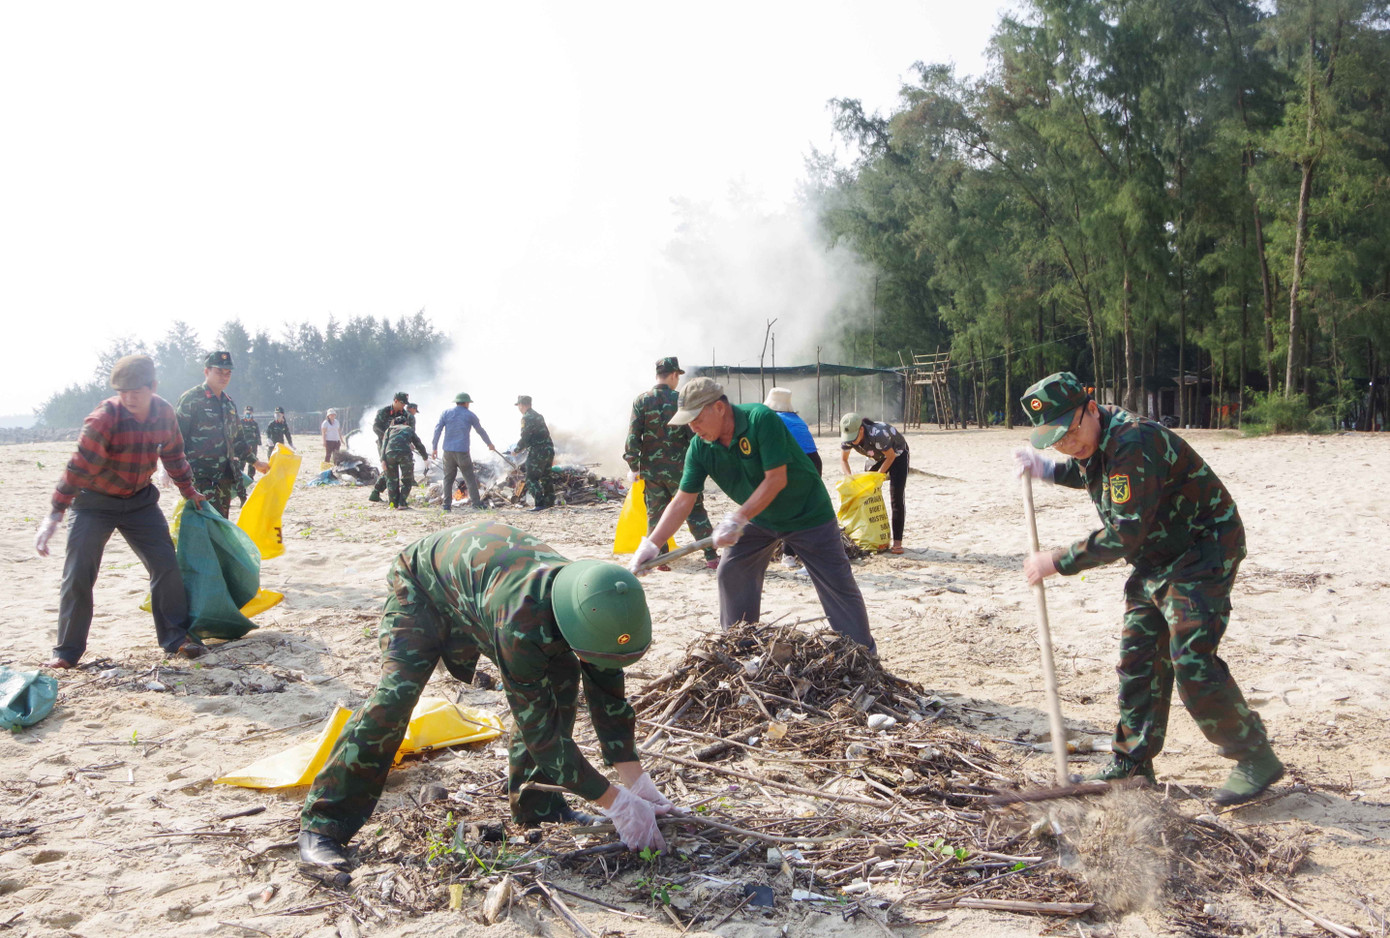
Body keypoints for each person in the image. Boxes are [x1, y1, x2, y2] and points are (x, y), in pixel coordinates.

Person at [297, 521, 681, 871]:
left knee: (561, 679)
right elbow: (540, 734)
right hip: (423, 585)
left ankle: (539, 805)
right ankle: (323, 826)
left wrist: (636, 782)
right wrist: (615, 802)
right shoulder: (522, 625)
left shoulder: (598, 608)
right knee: (395, 698)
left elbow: (609, 697)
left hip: (482, 585)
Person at [1015, 371, 1284, 805]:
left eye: (1071, 432)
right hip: (1154, 557)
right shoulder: (1095, 439)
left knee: (1190, 658)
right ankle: (1132, 762)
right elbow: (1094, 470)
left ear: (1090, 407)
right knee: (1138, 658)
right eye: (1056, 441)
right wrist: (1048, 469)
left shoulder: (1134, 440)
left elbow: (1123, 533)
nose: (1068, 444)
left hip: (1202, 548)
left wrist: (1056, 561)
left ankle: (1255, 757)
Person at [630, 378, 875, 651]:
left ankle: (864, 654)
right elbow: (682, 501)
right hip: (759, 517)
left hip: (807, 513)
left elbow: (776, 480)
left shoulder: (760, 419)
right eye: (689, 422)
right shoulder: (700, 448)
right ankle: (740, 647)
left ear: (719, 407)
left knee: (837, 585)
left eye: (697, 419)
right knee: (732, 571)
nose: (693, 428)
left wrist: (737, 519)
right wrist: (652, 544)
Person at [36, 354, 211, 667]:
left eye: (136, 392)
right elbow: (78, 467)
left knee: (165, 564)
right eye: (123, 392)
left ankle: (176, 638)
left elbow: (174, 456)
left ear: (153, 386)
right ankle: (66, 652)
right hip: (94, 503)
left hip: (140, 501)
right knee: (78, 572)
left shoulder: (164, 413)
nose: (129, 398)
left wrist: (189, 491)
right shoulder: (104, 419)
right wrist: (55, 514)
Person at [624, 357, 718, 570]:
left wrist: (633, 466)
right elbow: (694, 435)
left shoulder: (641, 401)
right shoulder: (680, 400)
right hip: (682, 470)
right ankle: (711, 556)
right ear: (674, 375)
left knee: (655, 514)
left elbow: (633, 437)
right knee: (694, 510)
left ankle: (660, 560)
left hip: (652, 472)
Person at [176, 351, 269, 518]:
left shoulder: (228, 403)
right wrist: (177, 472)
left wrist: (255, 462)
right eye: (219, 372)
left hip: (225, 476)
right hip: (200, 477)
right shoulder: (191, 399)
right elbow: (177, 438)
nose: (224, 377)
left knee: (221, 522)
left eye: (228, 373)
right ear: (206, 371)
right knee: (205, 522)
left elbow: (237, 439)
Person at [764, 388, 820, 568]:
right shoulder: (796, 419)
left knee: (792, 511)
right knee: (803, 509)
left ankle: (796, 557)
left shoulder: (774, 420)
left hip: (799, 465)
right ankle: (789, 555)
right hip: (814, 463)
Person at [840, 413, 910, 554]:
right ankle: (870, 536)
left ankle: (897, 543)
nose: (852, 442)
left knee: (896, 497)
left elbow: (890, 456)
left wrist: (878, 477)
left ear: (861, 430)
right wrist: (849, 477)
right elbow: (844, 460)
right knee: (866, 494)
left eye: (854, 438)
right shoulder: (848, 439)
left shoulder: (878, 434)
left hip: (897, 454)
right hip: (875, 456)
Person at [432, 392, 497, 512]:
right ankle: (476, 503)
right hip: (462, 451)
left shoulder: (446, 413)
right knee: (469, 478)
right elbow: (480, 431)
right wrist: (489, 444)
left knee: (448, 478)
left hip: (448, 451)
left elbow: (437, 430)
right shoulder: (470, 415)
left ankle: (446, 505)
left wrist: (434, 447)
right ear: (467, 403)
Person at [380, 412, 429, 509]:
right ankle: (402, 503)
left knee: (391, 480)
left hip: (390, 455)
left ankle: (393, 504)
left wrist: (383, 460)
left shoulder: (389, 430)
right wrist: (425, 457)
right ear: (405, 423)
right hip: (405, 455)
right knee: (407, 479)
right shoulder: (408, 429)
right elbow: (418, 444)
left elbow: (384, 446)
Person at [514, 395, 555, 510]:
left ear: (521, 405)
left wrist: (516, 450)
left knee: (531, 479)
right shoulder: (538, 416)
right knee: (546, 476)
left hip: (538, 451)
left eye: (519, 405)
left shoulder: (526, 418)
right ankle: (549, 502)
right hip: (549, 449)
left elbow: (525, 437)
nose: (519, 408)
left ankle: (539, 503)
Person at [368, 392, 410, 504]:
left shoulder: (404, 414)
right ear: (395, 401)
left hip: (399, 446)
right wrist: (386, 436)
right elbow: (376, 427)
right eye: (402, 403)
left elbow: (407, 429)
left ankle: (376, 492)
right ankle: (379, 493)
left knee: (391, 470)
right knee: (388, 469)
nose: (404, 406)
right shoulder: (383, 412)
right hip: (384, 444)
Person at [239, 405, 262, 484]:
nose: (248, 414)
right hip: (243, 444)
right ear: (244, 413)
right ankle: (240, 476)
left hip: (253, 445)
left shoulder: (254, 423)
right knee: (242, 461)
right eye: (247, 413)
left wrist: (259, 443)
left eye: (250, 413)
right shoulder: (240, 422)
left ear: (252, 413)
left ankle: (250, 477)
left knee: (252, 461)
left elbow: (258, 434)